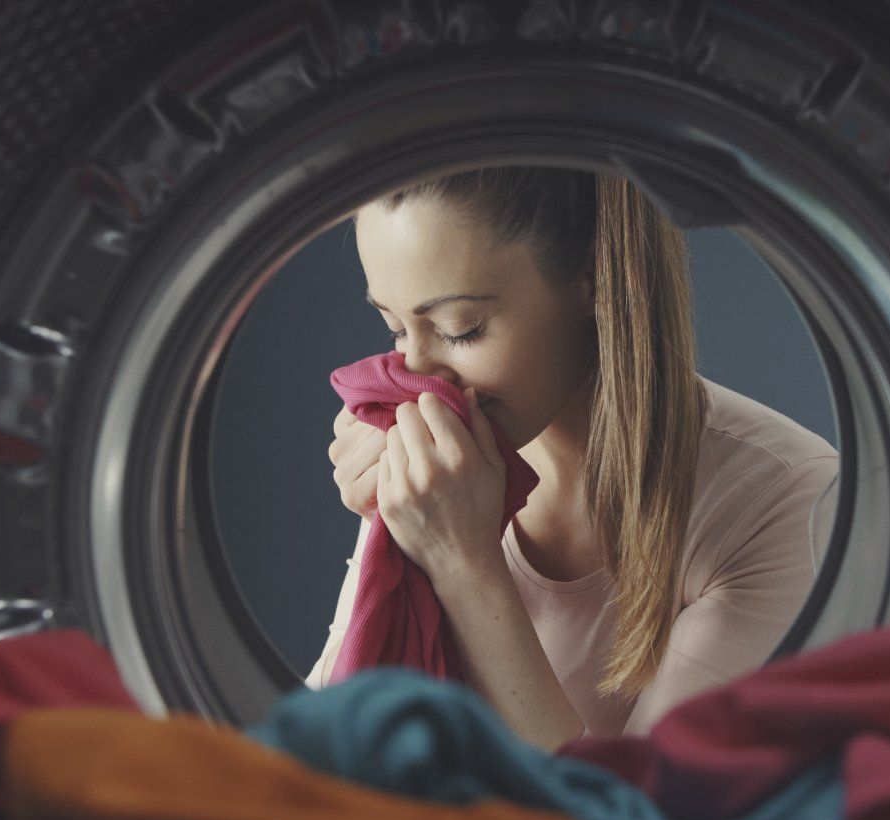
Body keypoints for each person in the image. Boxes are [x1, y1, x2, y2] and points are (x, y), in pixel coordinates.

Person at [305, 166, 840, 749]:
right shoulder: (443, 468)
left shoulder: (783, 502)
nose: (415, 378)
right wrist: (391, 541)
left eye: (461, 331)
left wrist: (464, 566)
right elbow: (323, 739)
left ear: (593, 277)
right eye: (393, 330)